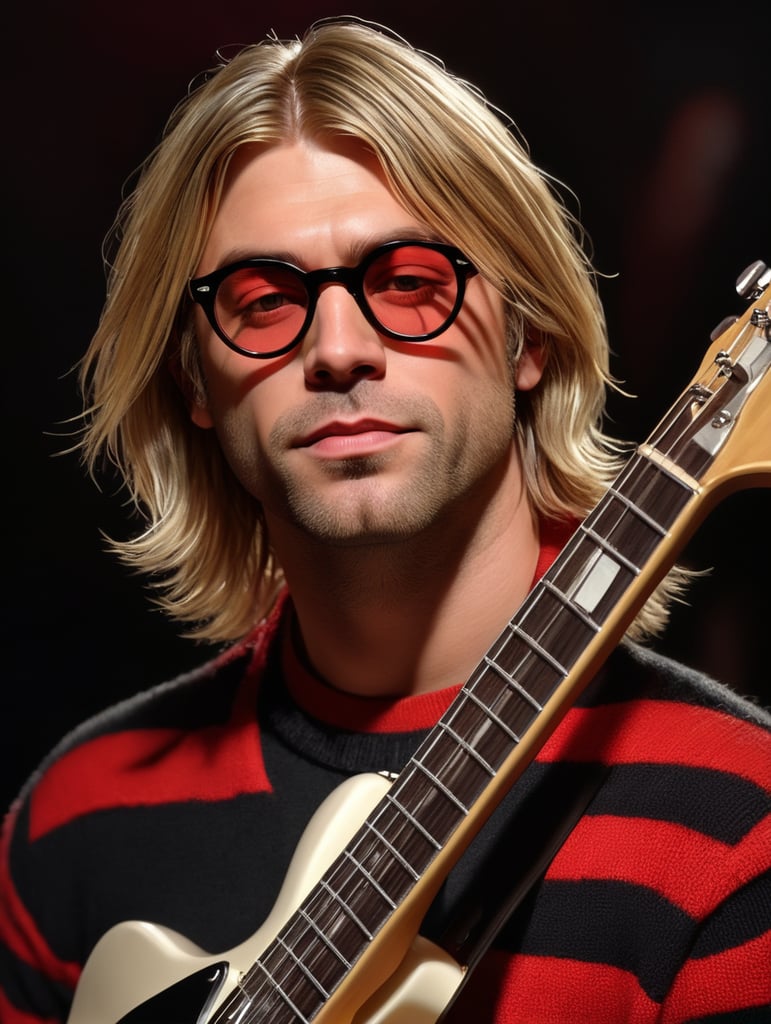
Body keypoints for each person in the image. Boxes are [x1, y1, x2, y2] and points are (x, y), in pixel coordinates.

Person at [1, 16, 769, 1024]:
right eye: (263, 299)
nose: (338, 349)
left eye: (409, 283)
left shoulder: (739, 823)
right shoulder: (78, 822)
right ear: (194, 377)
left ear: (528, 333)